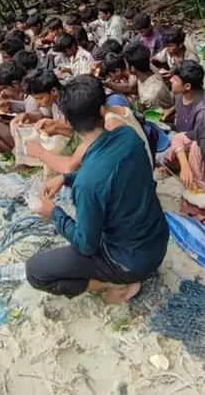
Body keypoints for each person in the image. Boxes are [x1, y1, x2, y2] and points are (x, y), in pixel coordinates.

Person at [25, 76, 169, 303]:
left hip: (128, 262)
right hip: (158, 243)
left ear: (69, 123)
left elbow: (85, 244)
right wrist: (65, 178)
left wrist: (53, 213)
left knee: (35, 271)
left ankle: (115, 282)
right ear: (103, 110)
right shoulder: (128, 135)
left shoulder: (88, 184)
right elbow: (110, 176)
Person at [104, 43, 173, 112]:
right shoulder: (145, 69)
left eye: (126, 64)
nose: (124, 67)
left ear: (133, 68)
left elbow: (153, 118)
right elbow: (128, 87)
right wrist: (107, 84)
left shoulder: (150, 96)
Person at [169, 60, 205, 139]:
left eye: (175, 79)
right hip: (178, 134)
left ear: (187, 86)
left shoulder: (204, 111)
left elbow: (199, 139)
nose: (171, 80)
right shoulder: (180, 93)